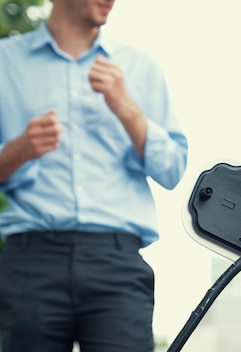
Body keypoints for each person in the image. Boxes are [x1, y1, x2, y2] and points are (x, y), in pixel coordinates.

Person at [0, 0, 188, 351]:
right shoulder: (4, 62)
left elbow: (173, 169)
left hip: (117, 266)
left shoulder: (139, 67)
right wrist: (19, 149)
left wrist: (126, 108)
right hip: (30, 262)